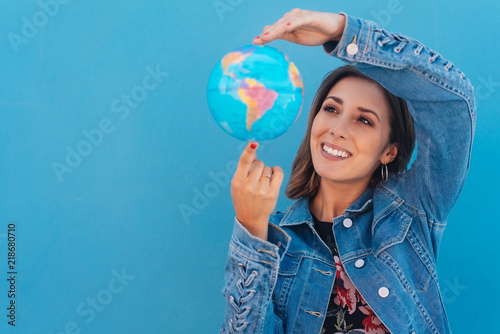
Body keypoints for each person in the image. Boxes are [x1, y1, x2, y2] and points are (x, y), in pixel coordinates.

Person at [220, 8, 475, 334]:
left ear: (389, 151)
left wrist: (342, 32)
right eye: (331, 109)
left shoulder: (412, 210)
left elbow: (453, 103)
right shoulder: (276, 239)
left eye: (364, 119)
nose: (337, 129)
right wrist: (251, 230)